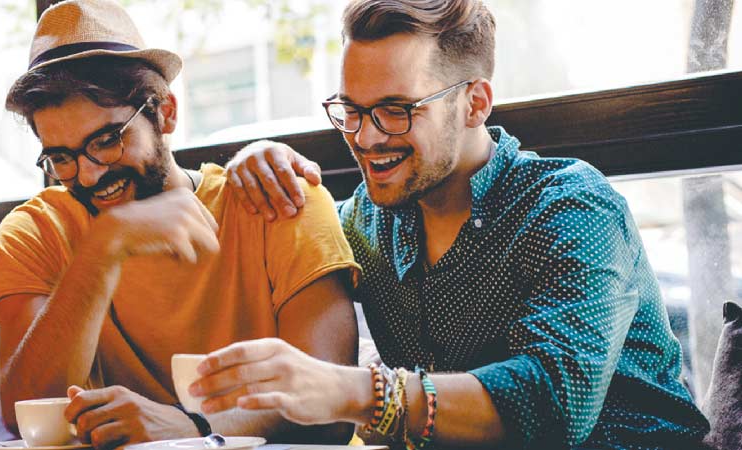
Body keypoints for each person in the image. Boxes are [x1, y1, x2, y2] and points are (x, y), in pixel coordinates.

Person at [189, 0, 711, 448]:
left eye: (396, 110)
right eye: (351, 109)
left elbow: (553, 401)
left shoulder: (570, 206)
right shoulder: (361, 224)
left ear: (475, 103)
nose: (366, 138)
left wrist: (350, 392)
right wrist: (259, 160)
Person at [0, 0, 361, 447]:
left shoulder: (277, 197)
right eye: (61, 157)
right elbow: (25, 412)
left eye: (107, 140)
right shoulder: (35, 231)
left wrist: (194, 429)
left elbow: (332, 412)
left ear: (165, 113)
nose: (88, 175)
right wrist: (104, 247)